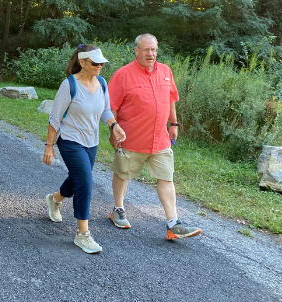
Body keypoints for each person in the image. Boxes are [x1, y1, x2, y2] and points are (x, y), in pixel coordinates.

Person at [107, 33, 201, 240]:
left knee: (166, 177)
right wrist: (114, 130)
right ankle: (118, 209)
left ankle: (173, 223)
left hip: (160, 139)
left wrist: (174, 123)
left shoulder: (166, 71)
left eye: (154, 50)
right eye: (147, 49)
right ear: (137, 51)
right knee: (123, 173)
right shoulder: (123, 75)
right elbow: (111, 106)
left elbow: (171, 99)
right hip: (131, 137)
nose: (151, 54)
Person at [43, 44, 126, 254]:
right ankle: (83, 234)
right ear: (82, 62)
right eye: (95, 63)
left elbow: (106, 110)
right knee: (86, 182)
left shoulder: (101, 83)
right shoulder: (69, 85)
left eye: (101, 63)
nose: (100, 66)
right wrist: (49, 146)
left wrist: (114, 126)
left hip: (92, 141)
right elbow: (55, 117)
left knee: (78, 178)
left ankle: (54, 200)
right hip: (70, 140)